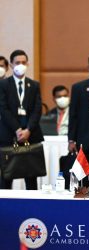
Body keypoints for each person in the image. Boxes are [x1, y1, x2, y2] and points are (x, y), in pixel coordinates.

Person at [0, 50, 44, 189]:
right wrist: (18, 130)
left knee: (31, 177)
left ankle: (33, 209)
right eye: (17, 63)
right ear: (11, 65)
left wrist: (28, 130)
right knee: (7, 176)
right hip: (9, 135)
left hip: (30, 135)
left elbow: (37, 109)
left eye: (24, 62)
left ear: (28, 64)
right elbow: (3, 108)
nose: (21, 65)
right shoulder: (4, 85)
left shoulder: (34, 85)